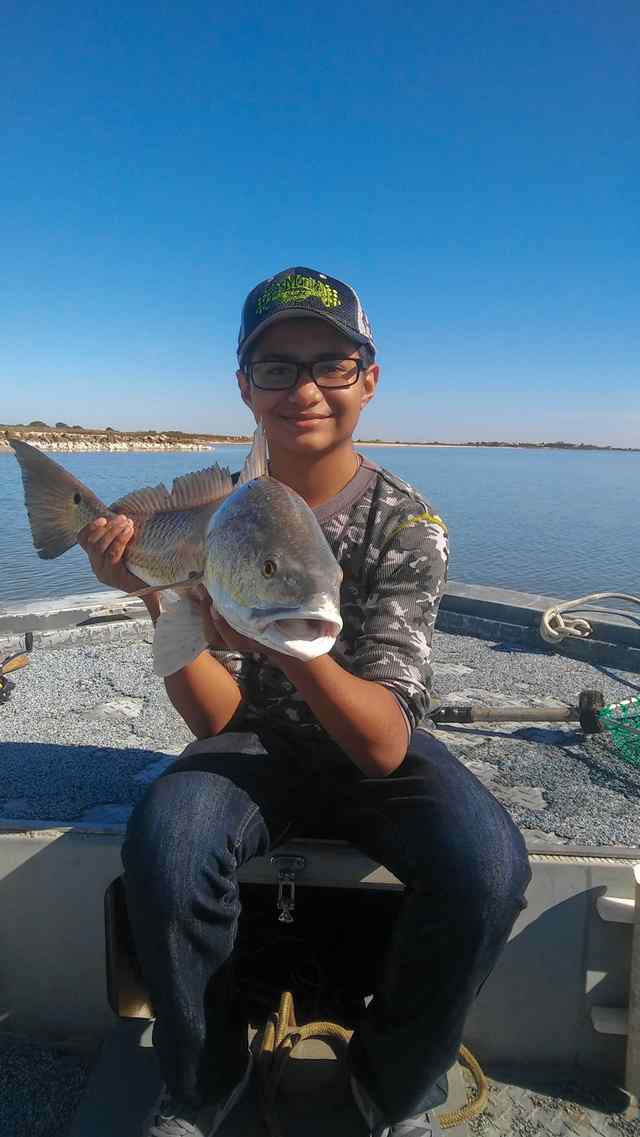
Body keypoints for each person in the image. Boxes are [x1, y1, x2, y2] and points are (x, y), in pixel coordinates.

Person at [78, 267, 532, 1137]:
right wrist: (151, 587)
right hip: (257, 743)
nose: (305, 387)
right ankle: (204, 1083)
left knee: (485, 865)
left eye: (332, 361)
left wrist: (285, 654)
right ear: (244, 385)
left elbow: (384, 751)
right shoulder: (219, 519)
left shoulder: (406, 524)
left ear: (368, 377)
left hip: (371, 735)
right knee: (167, 841)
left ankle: (391, 1083)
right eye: (276, 367)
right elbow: (216, 722)